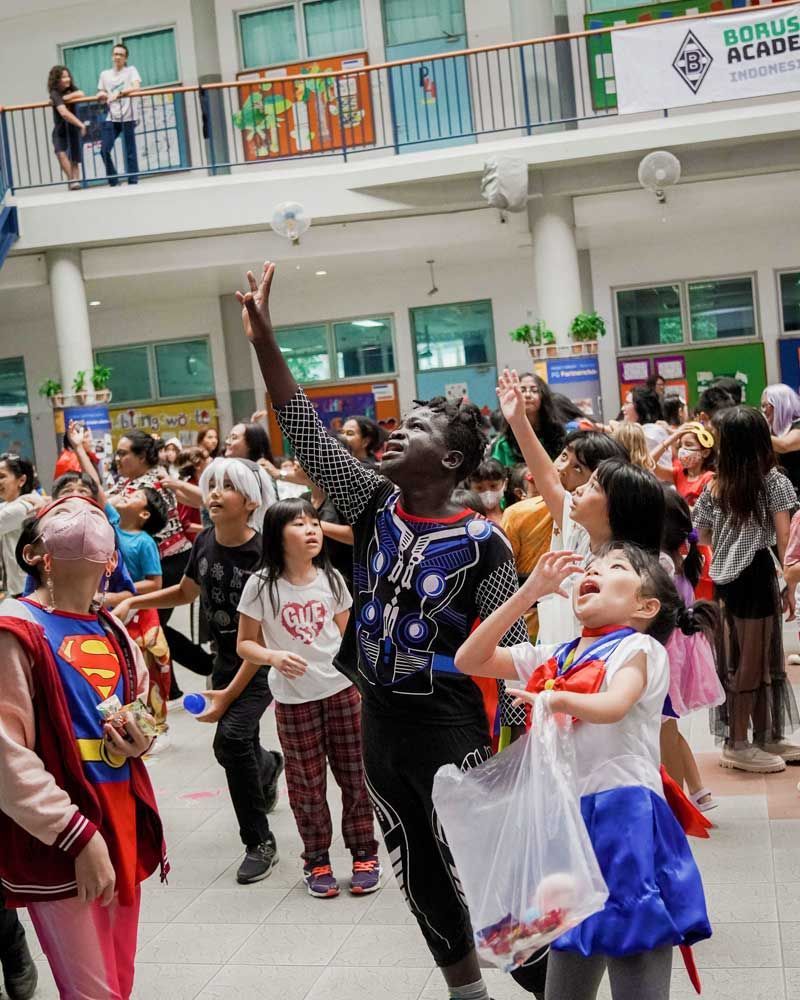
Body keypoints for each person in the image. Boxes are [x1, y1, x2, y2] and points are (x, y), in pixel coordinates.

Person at [239, 262, 530, 1000]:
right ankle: (467, 992)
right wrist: (267, 341)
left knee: (484, 868)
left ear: (454, 461)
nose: (398, 430)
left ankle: (554, 980)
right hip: (381, 726)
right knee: (415, 866)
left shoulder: (486, 544)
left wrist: (521, 756)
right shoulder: (372, 504)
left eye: (420, 427)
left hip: (451, 727)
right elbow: (301, 425)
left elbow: (515, 656)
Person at [456, 544, 712, 1000]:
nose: (594, 571)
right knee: (568, 962)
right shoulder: (557, 655)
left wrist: (555, 699)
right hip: (570, 822)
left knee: (635, 949)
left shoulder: (640, 648)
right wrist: (529, 592)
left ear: (646, 606)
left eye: (616, 568)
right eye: (592, 566)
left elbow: (614, 705)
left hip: (625, 817)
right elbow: (469, 660)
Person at [0, 494, 167, 999]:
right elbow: (6, 754)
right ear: (35, 553)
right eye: (63, 511)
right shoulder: (15, 628)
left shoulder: (114, 627)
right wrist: (76, 834)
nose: (81, 510)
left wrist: (142, 737)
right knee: (91, 991)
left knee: (120, 979)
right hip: (65, 832)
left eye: (95, 512)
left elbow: (147, 709)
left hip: (120, 816)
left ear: (112, 558)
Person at [115, 457, 284, 884]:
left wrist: (227, 695)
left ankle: (259, 841)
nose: (212, 494)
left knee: (229, 743)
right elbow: (187, 592)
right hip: (225, 662)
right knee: (243, 745)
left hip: (260, 663)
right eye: (211, 485)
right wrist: (133, 602)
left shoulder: (266, 552)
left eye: (225, 487)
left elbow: (262, 639)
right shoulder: (206, 540)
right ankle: (266, 767)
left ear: (251, 501)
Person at [237, 498, 381, 897]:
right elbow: (245, 645)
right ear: (277, 535)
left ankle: (364, 853)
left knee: (355, 776)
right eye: (300, 524)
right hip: (293, 700)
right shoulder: (261, 586)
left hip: (342, 692)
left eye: (314, 522)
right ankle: (316, 859)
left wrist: (365, 686)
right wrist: (273, 656)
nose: (312, 530)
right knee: (306, 784)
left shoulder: (332, 579)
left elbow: (350, 639)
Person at [693, 406, 800, 772]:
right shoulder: (774, 482)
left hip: (726, 581)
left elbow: (701, 535)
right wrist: (788, 584)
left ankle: (763, 738)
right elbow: (787, 541)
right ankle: (740, 744)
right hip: (756, 574)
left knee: (742, 659)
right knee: (758, 661)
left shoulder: (714, 485)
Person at [496, 368, 630, 644]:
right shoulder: (574, 524)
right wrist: (519, 421)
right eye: (563, 457)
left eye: (583, 474)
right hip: (553, 654)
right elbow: (549, 480)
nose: (563, 470)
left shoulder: (625, 562)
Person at [107, 430, 211, 686]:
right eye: (117, 453)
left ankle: (205, 666)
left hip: (172, 561)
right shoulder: (126, 482)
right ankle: (174, 684)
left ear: (142, 456)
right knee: (153, 624)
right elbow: (104, 497)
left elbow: (106, 501)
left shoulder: (150, 483)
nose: (118, 459)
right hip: (156, 561)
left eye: (123, 453)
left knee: (153, 624)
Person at [660, 489, 724, 813]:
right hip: (680, 649)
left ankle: (678, 802)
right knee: (668, 725)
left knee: (665, 727)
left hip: (668, 652)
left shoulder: (664, 564)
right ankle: (697, 791)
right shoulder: (680, 558)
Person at [492, 372, 565, 467]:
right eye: (522, 390)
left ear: (543, 396)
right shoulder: (503, 444)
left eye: (534, 391)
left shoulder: (558, 436)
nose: (527, 395)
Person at [0, 455, 46, 597]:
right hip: (18, 586)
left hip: (26, 588)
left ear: (21, 480)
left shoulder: (22, 507)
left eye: (2, 476)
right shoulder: (11, 504)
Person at [96, 43, 141, 187]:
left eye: (121, 55)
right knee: (104, 150)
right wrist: (102, 94)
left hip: (129, 116)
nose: (117, 57)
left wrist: (119, 93)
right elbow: (100, 91)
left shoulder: (131, 70)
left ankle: (133, 181)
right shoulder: (105, 74)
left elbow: (136, 87)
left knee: (130, 152)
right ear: (112, 56)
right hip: (112, 117)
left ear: (125, 57)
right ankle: (114, 181)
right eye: (115, 54)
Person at [650, 421, 716, 507]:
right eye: (680, 445)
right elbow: (650, 462)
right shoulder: (679, 474)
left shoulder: (710, 479)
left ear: (705, 452)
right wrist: (673, 437)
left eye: (688, 445)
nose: (682, 449)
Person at [47, 65, 86, 190]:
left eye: (68, 76)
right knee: (60, 153)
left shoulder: (70, 89)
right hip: (60, 129)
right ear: (56, 79)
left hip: (73, 128)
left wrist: (65, 98)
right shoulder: (54, 93)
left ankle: (75, 184)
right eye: (64, 77)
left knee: (75, 159)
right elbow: (64, 113)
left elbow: (81, 93)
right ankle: (72, 180)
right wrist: (80, 124)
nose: (67, 79)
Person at [761, 383, 800, 497]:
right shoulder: (772, 432)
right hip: (780, 495)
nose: (763, 410)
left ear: (780, 404)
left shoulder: (797, 425)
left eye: (765, 406)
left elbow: (784, 446)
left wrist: (756, 429)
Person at [467, 458, 507, 527]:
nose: (488, 493)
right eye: (479, 488)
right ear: (469, 487)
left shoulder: (513, 515)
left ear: (505, 483)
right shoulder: (468, 521)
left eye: (493, 486)